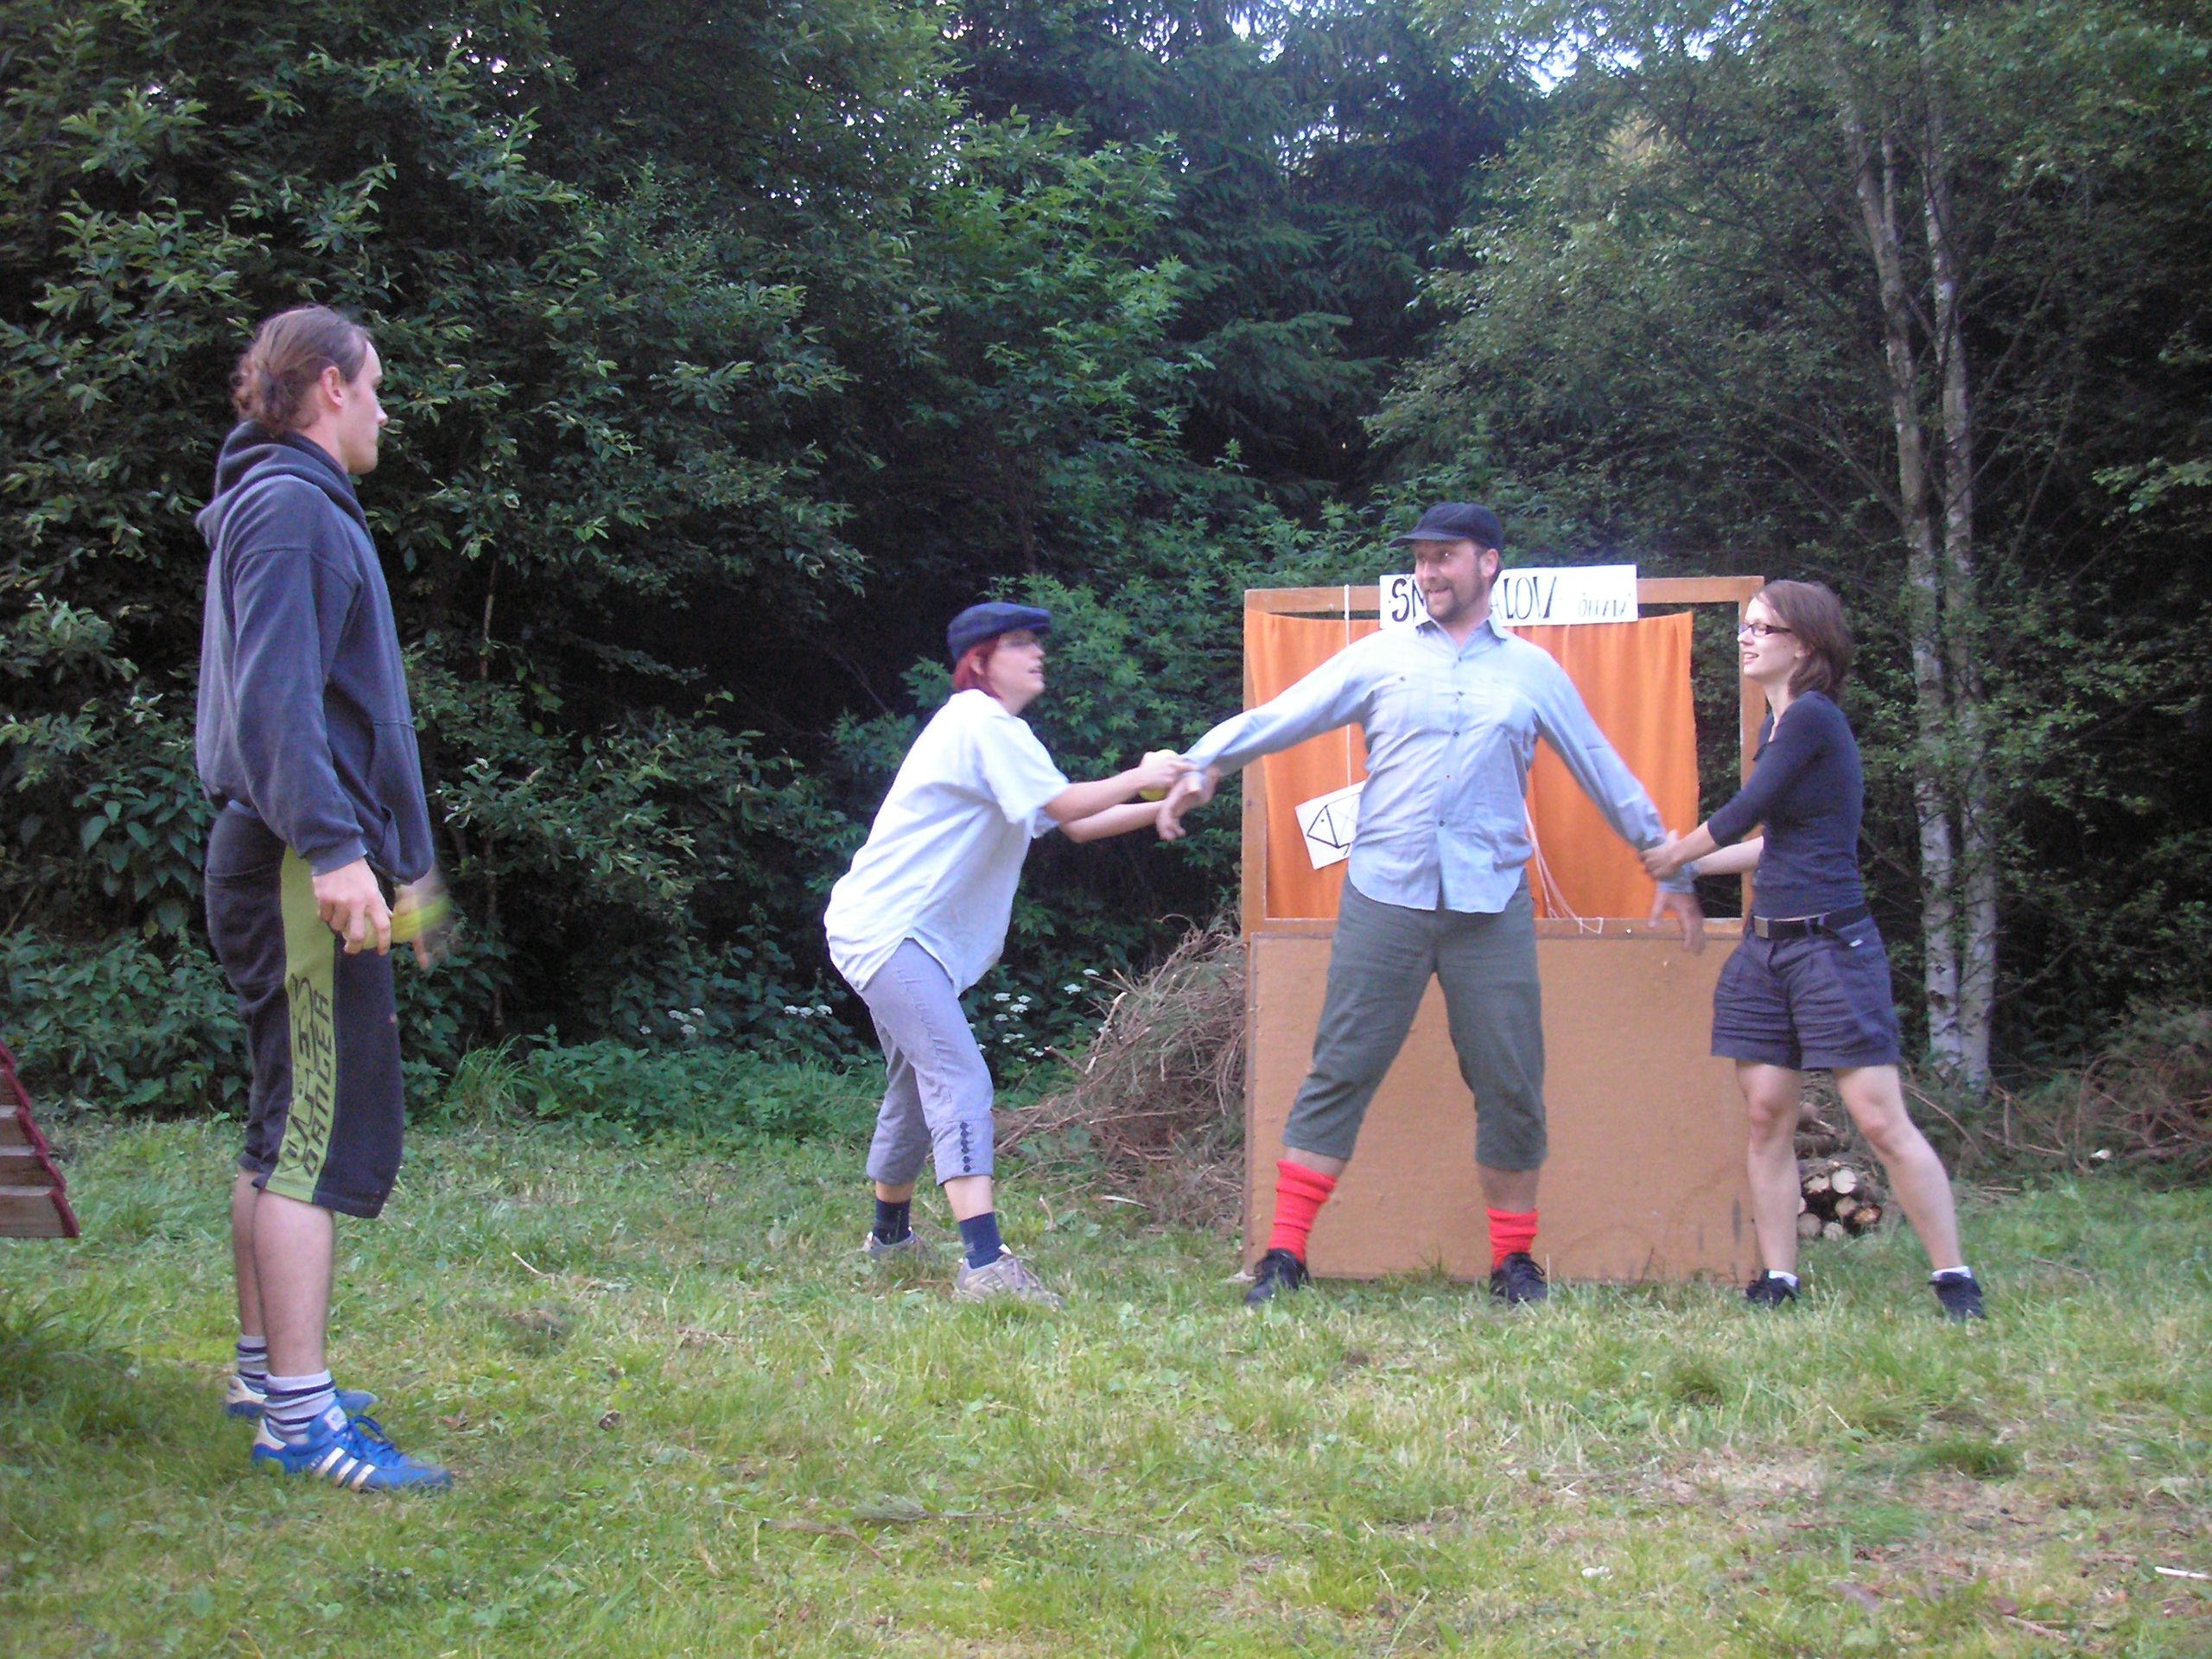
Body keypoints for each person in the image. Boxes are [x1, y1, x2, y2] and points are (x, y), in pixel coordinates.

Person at [1157, 503, 1703, 1309]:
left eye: (1445, 556)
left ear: (1489, 563)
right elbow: (1283, 714)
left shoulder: (1532, 672)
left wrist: (1665, 860)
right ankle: (1284, 1255)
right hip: (1385, 895)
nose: (1428, 571)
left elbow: (1600, 765)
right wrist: (1204, 762)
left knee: (1511, 1083)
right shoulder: (1380, 655)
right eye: (1420, 558)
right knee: (1341, 1068)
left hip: (1491, 905)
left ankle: (1514, 1263)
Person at [197, 304, 455, 1489]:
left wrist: (406, 866)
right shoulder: (292, 509)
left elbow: (345, 712)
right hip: (299, 861)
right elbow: (278, 703)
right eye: (379, 386)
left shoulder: (291, 506)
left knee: (281, 1121)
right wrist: (338, 849)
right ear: (334, 386)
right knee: (313, 1133)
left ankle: (265, 1373)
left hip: (304, 854)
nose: (387, 412)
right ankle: (300, 1422)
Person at [825, 602, 1188, 1306]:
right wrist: (1146, 773)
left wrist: (1166, 802)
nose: (1036, 653)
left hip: (894, 932)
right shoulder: (981, 722)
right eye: (1019, 643)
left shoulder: (992, 732)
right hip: (892, 932)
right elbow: (1071, 804)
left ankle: (889, 1240)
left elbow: (1072, 823)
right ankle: (986, 1266)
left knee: (916, 1086)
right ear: (981, 661)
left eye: (1035, 642)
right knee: (959, 1078)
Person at [1642, 582, 1985, 1319]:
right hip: (1766, 952)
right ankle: (1780, 1280)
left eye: (1762, 628)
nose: (1745, 637)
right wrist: (1692, 869)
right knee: (1767, 1115)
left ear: (1804, 646)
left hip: (1831, 947)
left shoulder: (1812, 718)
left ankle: (1955, 1279)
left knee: (1879, 1118)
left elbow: (1744, 812)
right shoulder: (1779, 726)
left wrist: (1673, 856)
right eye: (1745, 625)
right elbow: (1775, 843)